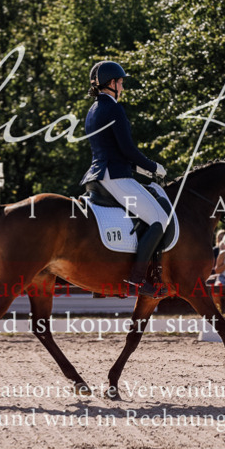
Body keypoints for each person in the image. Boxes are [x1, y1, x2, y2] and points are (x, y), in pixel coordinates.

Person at [80, 60, 168, 297]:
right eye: (120, 82)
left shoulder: (93, 110)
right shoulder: (114, 109)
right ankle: (136, 279)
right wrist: (154, 167)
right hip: (114, 176)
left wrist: (142, 171)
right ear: (111, 84)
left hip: (98, 174)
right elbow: (127, 149)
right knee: (159, 219)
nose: (123, 86)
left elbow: (113, 150)